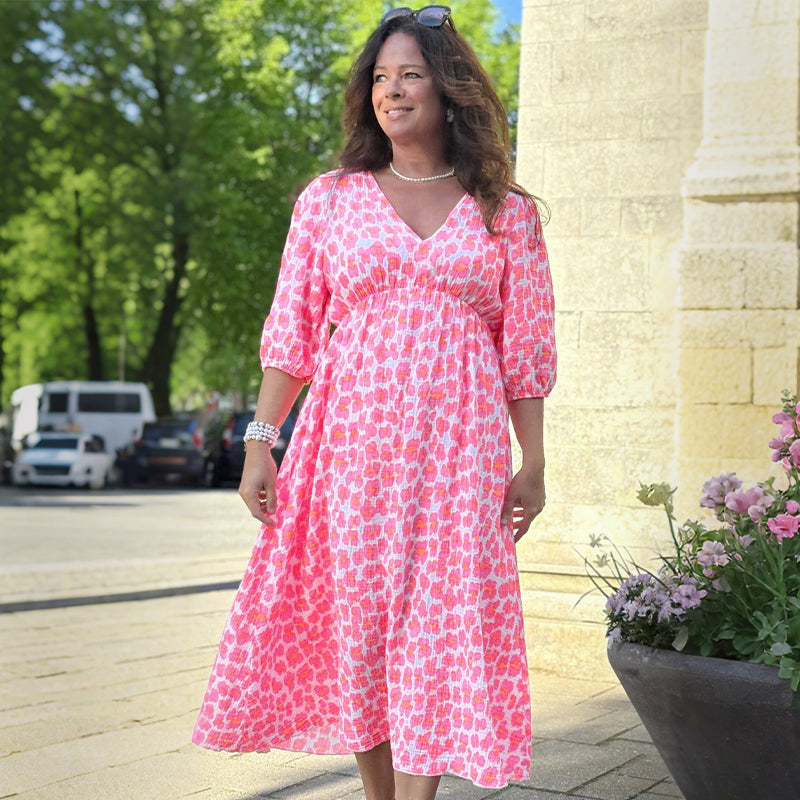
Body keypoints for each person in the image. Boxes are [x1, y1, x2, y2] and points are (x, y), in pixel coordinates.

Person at [192, 6, 556, 799]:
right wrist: (261, 441)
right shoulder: (328, 200)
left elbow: (524, 349)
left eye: (412, 74)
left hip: (459, 450)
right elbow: (290, 332)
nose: (393, 91)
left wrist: (534, 462)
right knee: (360, 627)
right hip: (349, 448)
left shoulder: (506, 210)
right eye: (380, 77)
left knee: (436, 623)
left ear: (450, 87)